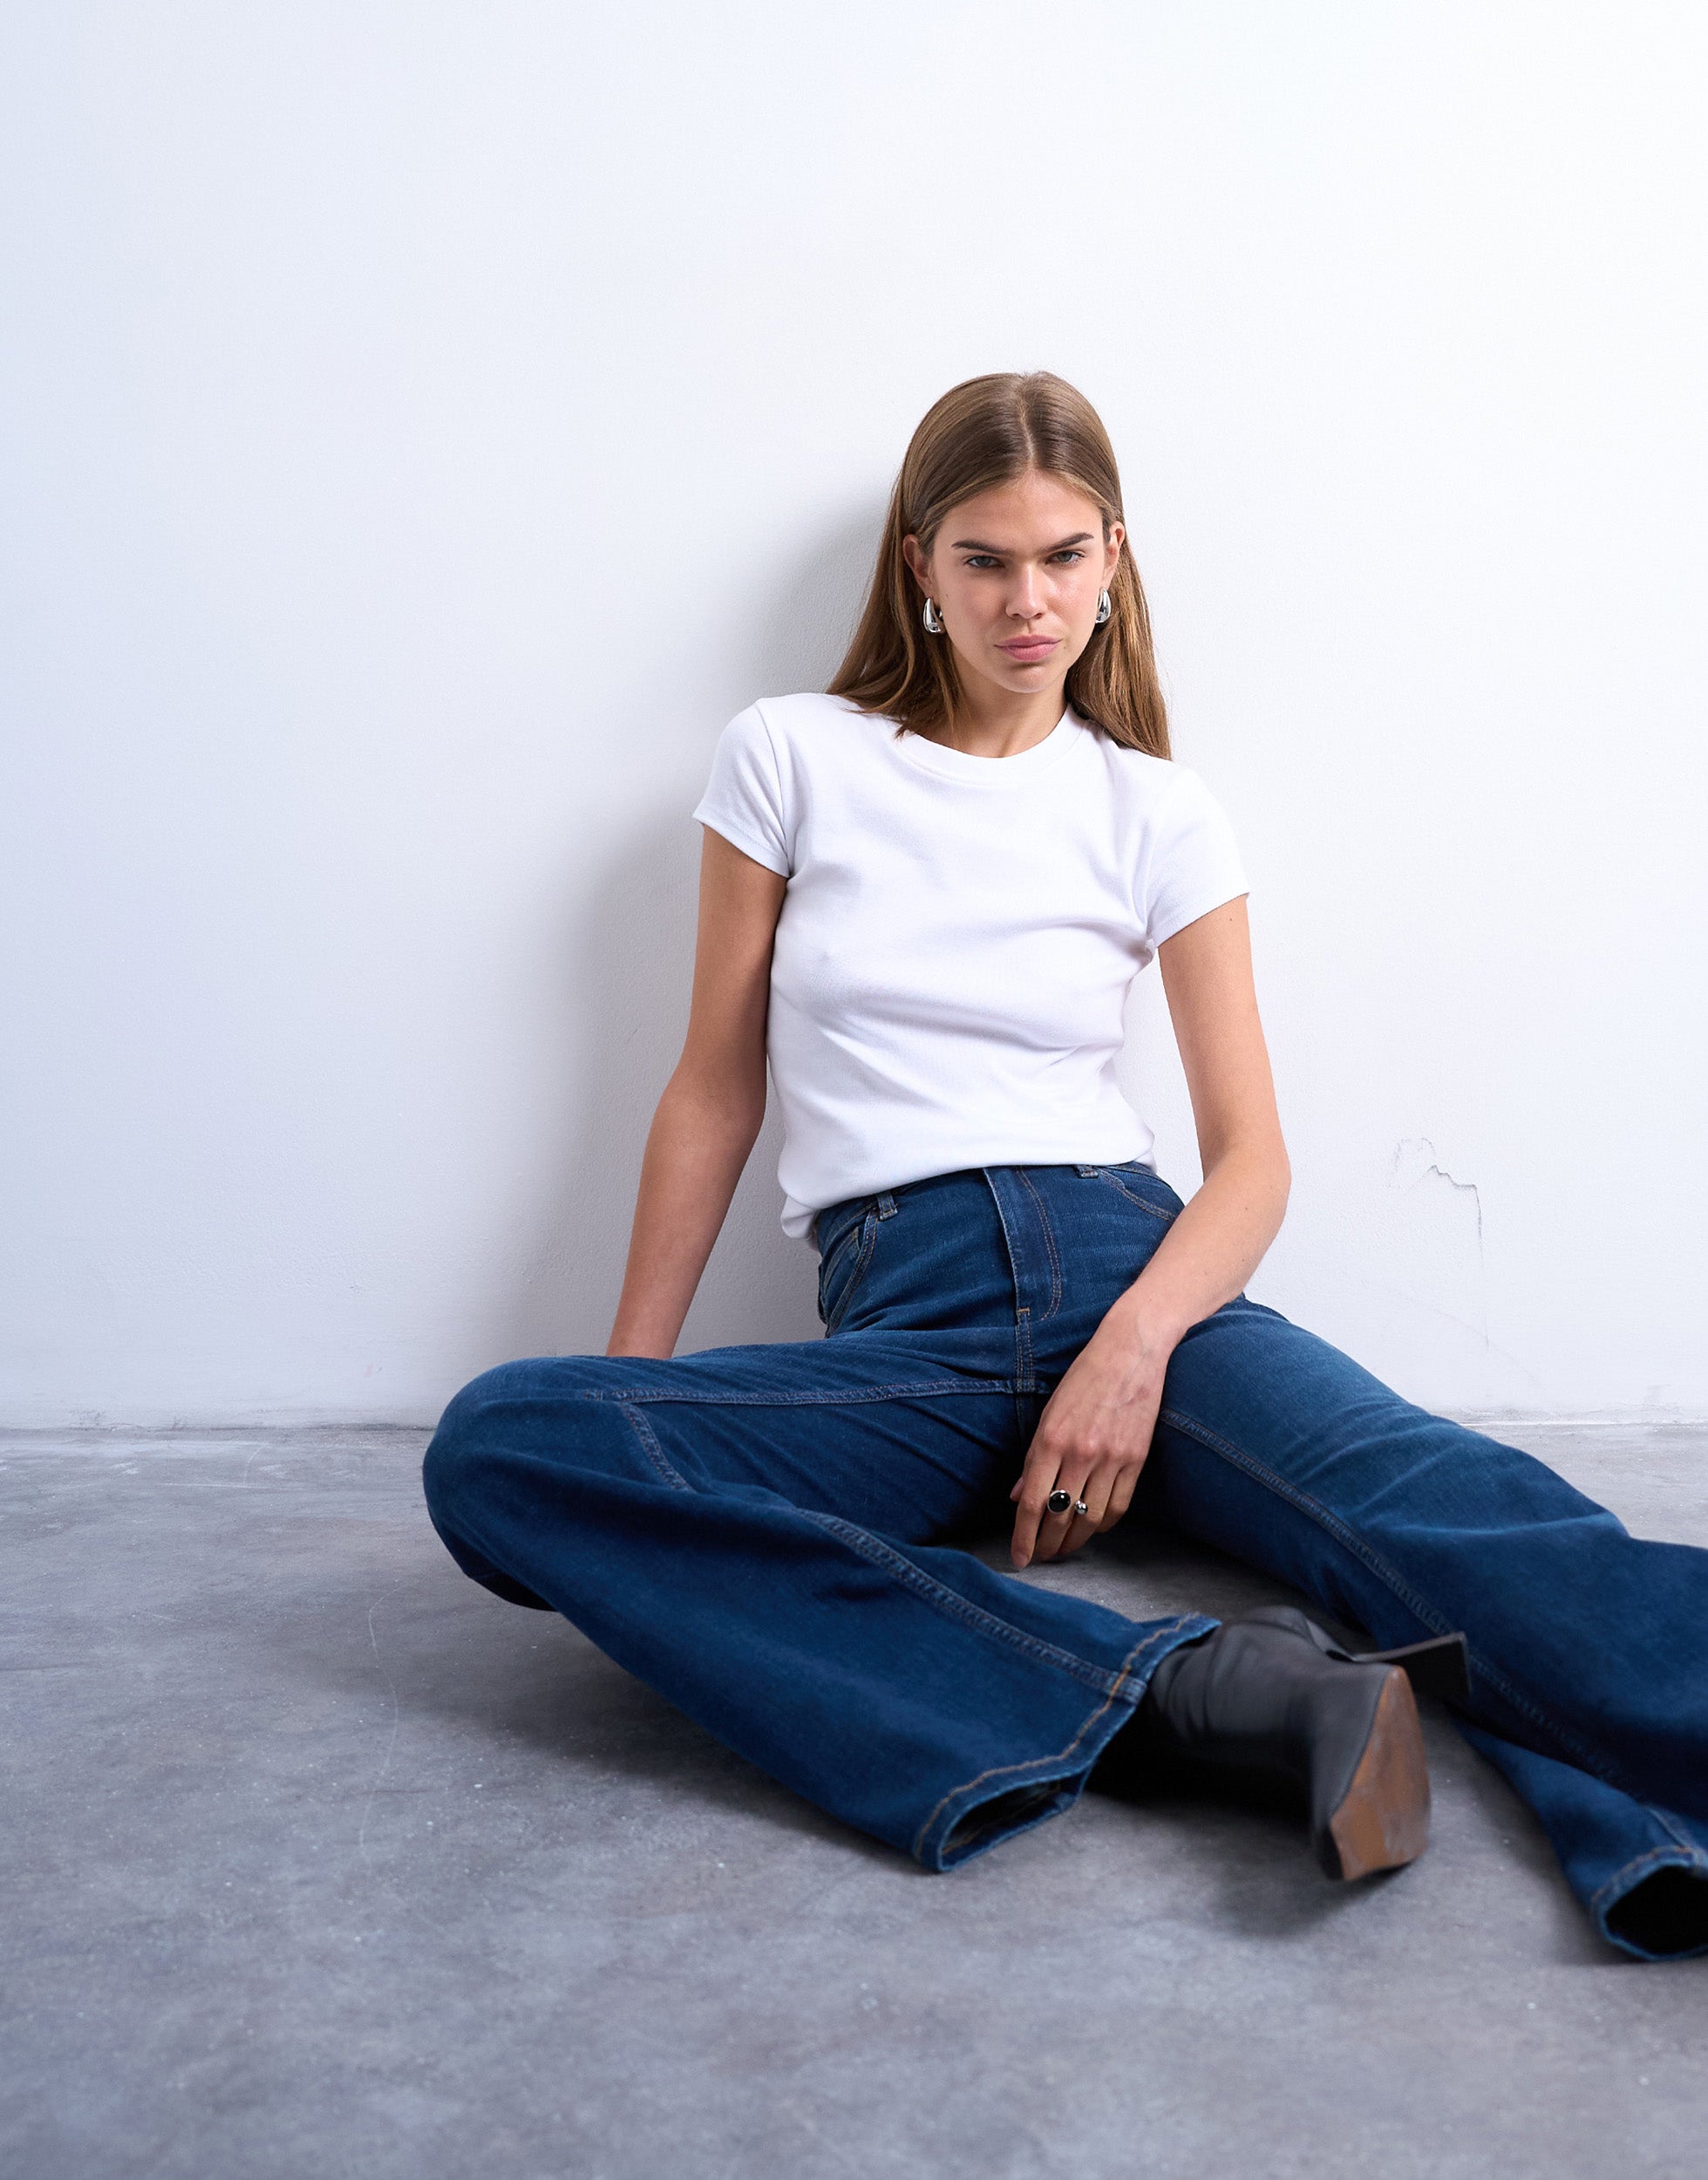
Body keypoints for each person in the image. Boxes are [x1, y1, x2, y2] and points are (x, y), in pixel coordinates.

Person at [423, 372, 1707, 1959]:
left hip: (1137, 1275)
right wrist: (632, 1404)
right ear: (919, 565)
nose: (1026, 602)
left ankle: (1653, 1816)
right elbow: (713, 1088)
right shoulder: (790, 755)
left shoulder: (1157, 809)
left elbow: (1252, 1161)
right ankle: (1198, 1691)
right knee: (509, 1443)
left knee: (1441, 1517)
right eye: (983, 560)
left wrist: (1134, 1349)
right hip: (917, 1321)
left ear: (1114, 559)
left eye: (1060, 557)